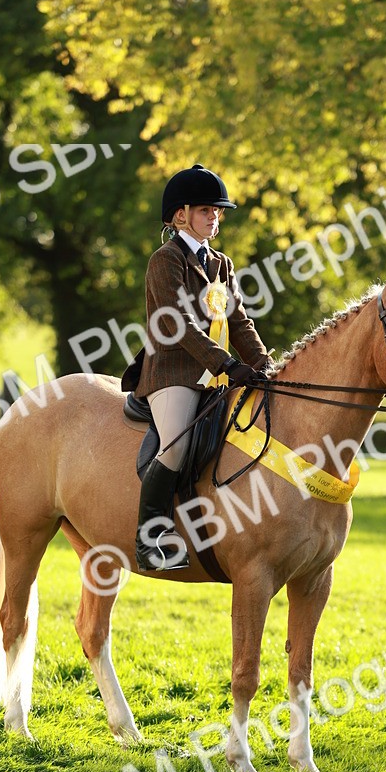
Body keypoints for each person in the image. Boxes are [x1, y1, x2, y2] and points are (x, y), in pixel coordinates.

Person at [124, 163, 272, 573]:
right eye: (207, 210)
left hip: (217, 375)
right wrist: (225, 362)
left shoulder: (221, 264)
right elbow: (175, 323)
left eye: (218, 211)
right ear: (180, 216)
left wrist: (264, 365)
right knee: (177, 443)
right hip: (174, 374)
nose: (215, 217)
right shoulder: (165, 261)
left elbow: (239, 321)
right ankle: (150, 539)